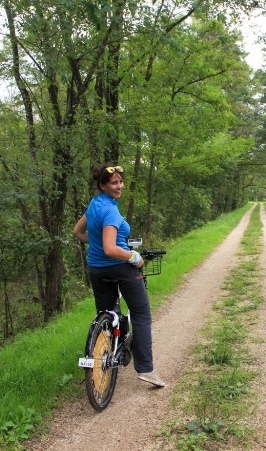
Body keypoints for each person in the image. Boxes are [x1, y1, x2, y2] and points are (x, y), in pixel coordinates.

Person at [73, 162, 165, 388]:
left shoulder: (94, 204)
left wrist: (94, 243)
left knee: (106, 313)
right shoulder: (110, 211)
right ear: (103, 185)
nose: (120, 186)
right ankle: (146, 369)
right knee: (141, 313)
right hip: (118, 267)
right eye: (114, 183)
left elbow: (77, 232)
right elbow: (110, 248)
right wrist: (133, 257)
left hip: (96, 268)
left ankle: (106, 353)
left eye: (121, 182)